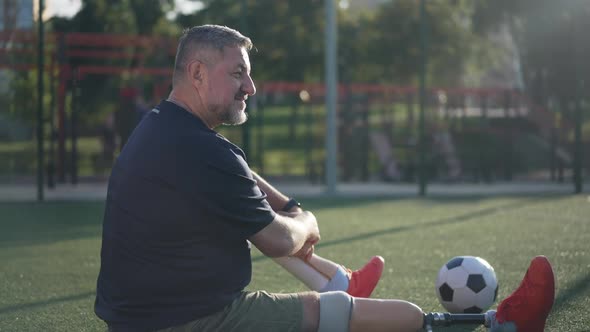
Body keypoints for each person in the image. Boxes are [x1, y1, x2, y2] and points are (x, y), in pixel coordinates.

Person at [95, 25, 555, 332]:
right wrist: (306, 222)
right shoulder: (199, 147)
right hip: (187, 320)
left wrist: (288, 204)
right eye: (238, 74)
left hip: (146, 315)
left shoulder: (165, 127)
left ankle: (340, 280)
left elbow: (238, 175)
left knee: (322, 290)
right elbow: (279, 240)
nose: (250, 88)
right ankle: (501, 322)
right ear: (197, 73)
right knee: (339, 314)